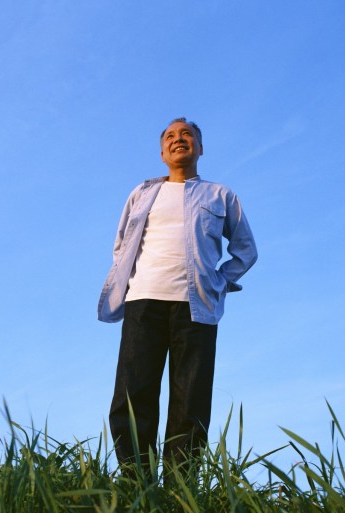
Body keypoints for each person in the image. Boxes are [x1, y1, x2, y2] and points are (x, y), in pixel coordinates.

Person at [98, 117, 257, 474]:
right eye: (170, 136)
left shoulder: (221, 195)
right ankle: (135, 481)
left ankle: (180, 489)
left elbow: (246, 250)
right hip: (144, 300)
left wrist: (218, 282)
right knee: (133, 391)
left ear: (200, 148)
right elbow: (122, 246)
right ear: (161, 152)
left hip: (196, 306)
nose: (178, 139)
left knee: (191, 398)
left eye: (187, 135)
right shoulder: (141, 193)